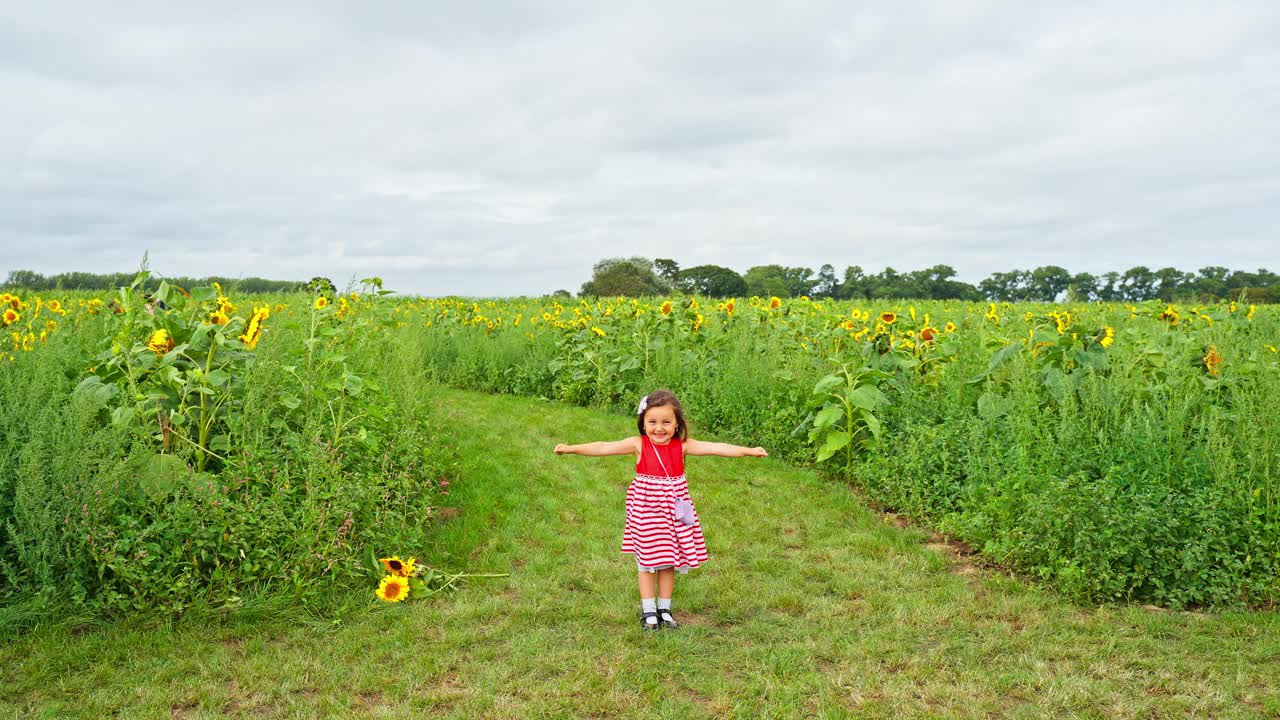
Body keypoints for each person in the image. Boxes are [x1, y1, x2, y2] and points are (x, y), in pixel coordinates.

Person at [554, 389, 767, 631]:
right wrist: (571, 448)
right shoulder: (638, 445)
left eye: (667, 422)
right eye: (652, 422)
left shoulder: (683, 446)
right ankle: (648, 611)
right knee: (647, 562)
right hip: (645, 512)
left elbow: (717, 447)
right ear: (643, 424)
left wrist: (748, 451)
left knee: (668, 561)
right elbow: (603, 447)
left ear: (677, 424)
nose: (659, 428)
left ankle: (665, 609)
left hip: (673, 515)